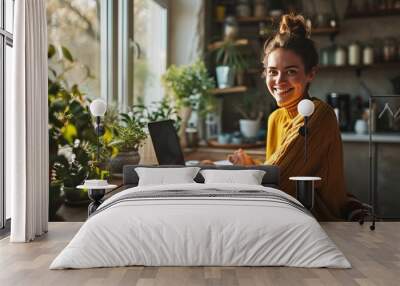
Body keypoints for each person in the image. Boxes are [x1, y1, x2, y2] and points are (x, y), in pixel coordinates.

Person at [228, 14, 365, 221]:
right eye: (272, 72)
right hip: (288, 218)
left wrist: (229, 173)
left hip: (322, 225)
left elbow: (275, 182)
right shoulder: (275, 118)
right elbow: (279, 168)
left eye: (290, 71)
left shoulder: (318, 114)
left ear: (311, 74)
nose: (279, 81)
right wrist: (250, 164)